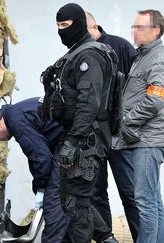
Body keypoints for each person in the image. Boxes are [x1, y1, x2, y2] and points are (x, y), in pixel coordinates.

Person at [39, 3, 118, 243]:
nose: (62, 30)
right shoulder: (77, 52)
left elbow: (89, 104)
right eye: (59, 26)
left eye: (66, 25)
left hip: (86, 140)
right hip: (78, 137)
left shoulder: (89, 55)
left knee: (77, 204)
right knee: (73, 199)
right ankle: (106, 238)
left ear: (81, 24)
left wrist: (72, 142)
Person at [0, 97, 69, 243]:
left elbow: (41, 157)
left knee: (53, 210)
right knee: (69, 207)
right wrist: (38, 187)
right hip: (72, 142)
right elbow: (36, 154)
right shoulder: (17, 113)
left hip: (71, 143)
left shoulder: (15, 120)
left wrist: (41, 189)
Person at [112, 9, 164, 243]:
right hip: (142, 139)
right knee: (152, 201)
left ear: (156, 30)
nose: (133, 32)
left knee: (145, 203)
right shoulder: (142, 56)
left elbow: (156, 99)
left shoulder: (159, 58)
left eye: (139, 27)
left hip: (148, 140)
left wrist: (126, 120)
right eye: (133, 27)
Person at [86, 11, 139, 241]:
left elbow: (139, 87)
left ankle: (143, 238)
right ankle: (107, 239)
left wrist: (128, 124)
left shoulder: (121, 46)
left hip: (119, 136)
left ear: (94, 26)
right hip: (94, 137)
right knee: (97, 193)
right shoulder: (81, 52)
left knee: (131, 193)